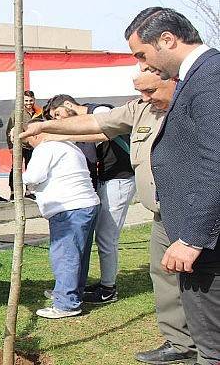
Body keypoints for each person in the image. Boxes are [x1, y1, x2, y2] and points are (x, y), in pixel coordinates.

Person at [20, 71, 196, 364]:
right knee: (160, 273)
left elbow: (98, 123)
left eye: (150, 90)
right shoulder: (138, 110)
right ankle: (179, 340)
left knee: (106, 241)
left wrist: (46, 130)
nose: (144, 98)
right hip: (153, 207)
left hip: (175, 202)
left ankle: (105, 290)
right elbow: (98, 130)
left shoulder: (183, 105)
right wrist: (47, 128)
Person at [125, 6, 220, 365]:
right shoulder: (199, 76)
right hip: (199, 238)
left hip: (205, 243)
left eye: (142, 54)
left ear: (167, 40)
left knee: (213, 348)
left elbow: (216, 161)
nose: (142, 64)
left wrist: (192, 238)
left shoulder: (210, 77)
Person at [43, 94, 136, 305]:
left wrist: (59, 136)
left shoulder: (100, 111)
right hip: (107, 178)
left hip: (119, 179)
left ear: (68, 105)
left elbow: (104, 134)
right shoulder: (89, 117)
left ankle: (108, 289)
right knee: (101, 237)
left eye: (58, 115)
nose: (60, 121)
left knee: (106, 237)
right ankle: (104, 283)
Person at [21, 118, 100, 319]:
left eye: (27, 139)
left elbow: (32, 177)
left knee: (65, 255)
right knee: (78, 254)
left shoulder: (45, 148)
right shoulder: (69, 145)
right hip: (84, 204)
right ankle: (70, 292)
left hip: (69, 208)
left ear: (36, 133)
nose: (27, 143)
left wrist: (24, 180)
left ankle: (66, 303)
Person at [6, 90, 39, 201]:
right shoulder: (17, 113)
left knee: (32, 168)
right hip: (19, 146)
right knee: (16, 169)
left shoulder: (39, 112)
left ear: (34, 100)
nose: (29, 103)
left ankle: (29, 191)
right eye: (26, 100)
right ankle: (13, 192)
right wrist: (11, 146)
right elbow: (9, 130)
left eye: (30, 100)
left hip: (33, 146)